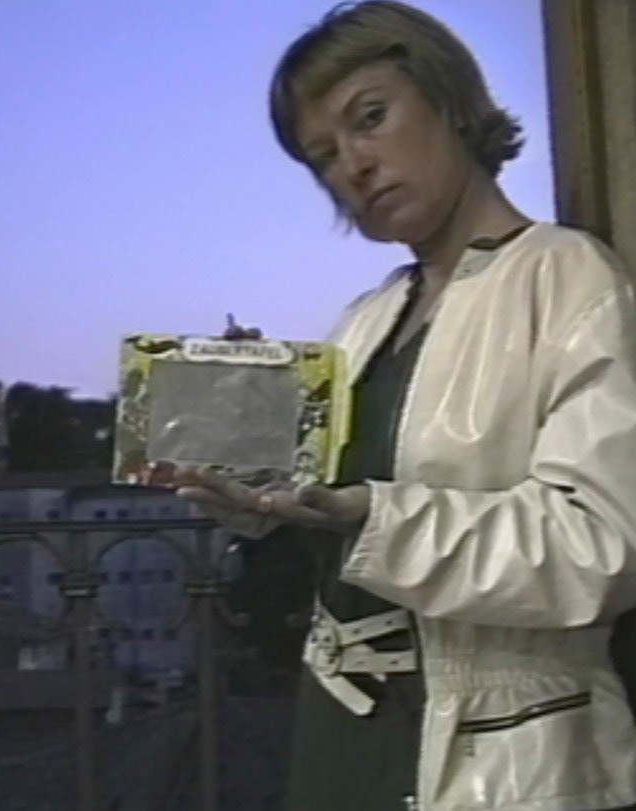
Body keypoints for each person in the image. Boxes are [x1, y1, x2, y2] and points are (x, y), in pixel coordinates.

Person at [175, 3, 636, 809]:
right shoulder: (365, 319)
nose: (353, 165)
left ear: (449, 99)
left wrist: (372, 517)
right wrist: (252, 486)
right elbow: (321, 504)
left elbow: (599, 546)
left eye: (370, 118)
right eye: (323, 156)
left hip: (501, 754)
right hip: (340, 731)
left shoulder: (570, 279)